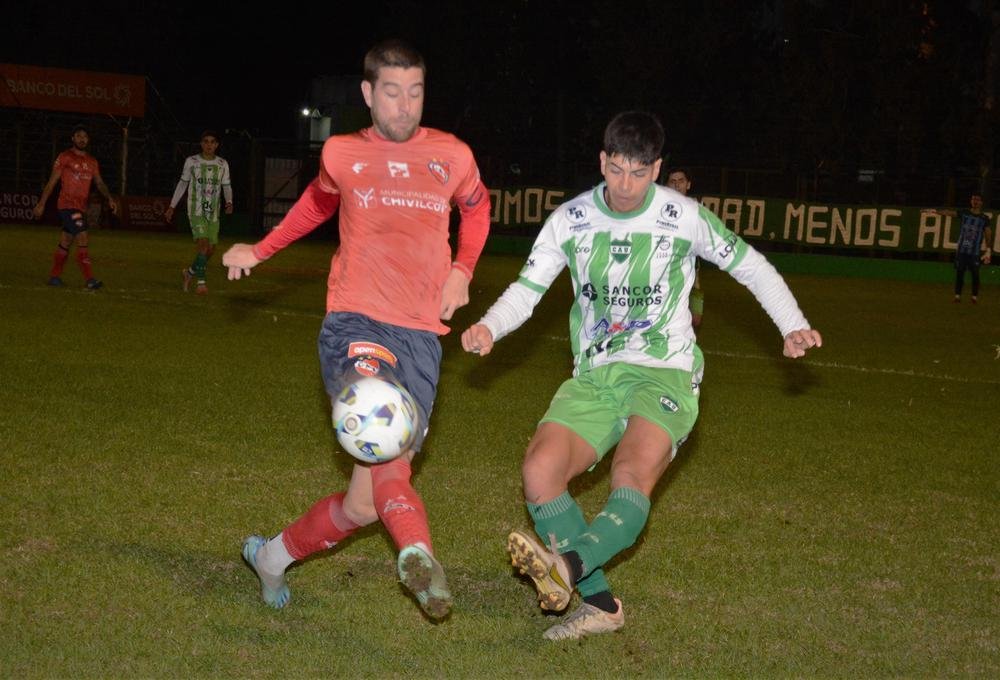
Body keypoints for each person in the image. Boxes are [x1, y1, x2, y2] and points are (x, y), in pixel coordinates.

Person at [462, 111, 822, 640]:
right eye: (616, 170)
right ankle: (601, 605)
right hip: (596, 372)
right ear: (602, 162)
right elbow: (527, 289)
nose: (625, 186)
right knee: (540, 472)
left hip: (666, 371)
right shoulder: (571, 219)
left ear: (656, 169)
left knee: (629, 475)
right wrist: (491, 326)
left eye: (638, 173)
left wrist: (792, 324)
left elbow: (750, 265)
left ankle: (566, 569)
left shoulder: (684, 216)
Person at [223, 39, 490, 620]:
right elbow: (316, 206)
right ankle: (419, 555)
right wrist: (261, 250)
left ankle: (272, 556)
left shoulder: (453, 154)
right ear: (368, 94)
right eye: (392, 93)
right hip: (355, 321)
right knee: (385, 440)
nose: (404, 106)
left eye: (415, 93)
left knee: (365, 503)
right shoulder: (343, 153)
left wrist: (461, 271)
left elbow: (477, 207)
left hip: (421, 336)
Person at [32, 125, 119, 289]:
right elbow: (52, 181)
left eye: (85, 136)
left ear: (88, 140)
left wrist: (109, 198)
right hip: (67, 206)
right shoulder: (65, 157)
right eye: (78, 136)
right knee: (83, 236)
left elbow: (99, 182)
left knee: (66, 241)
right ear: (73, 139)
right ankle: (90, 279)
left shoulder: (92, 162)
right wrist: (41, 204)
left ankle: (54, 277)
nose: (82, 139)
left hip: (80, 207)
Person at [164, 130, 233, 295]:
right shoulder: (191, 161)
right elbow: (182, 184)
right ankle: (201, 283)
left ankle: (189, 273)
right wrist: (172, 206)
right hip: (196, 210)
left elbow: (226, 186)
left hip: (213, 212)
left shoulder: (223, 164)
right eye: (206, 141)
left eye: (212, 142)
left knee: (210, 250)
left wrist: (229, 201)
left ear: (216, 145)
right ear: (201, 144)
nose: (209, 145)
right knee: (202, 246)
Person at [922, 194, 993, 303]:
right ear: (971, 201)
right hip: (962, 250)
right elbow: (949, 213)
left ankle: (974, 296)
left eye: (978, 200)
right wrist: (935, 211)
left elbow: (988, 232)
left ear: (981, 203)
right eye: (973, 199)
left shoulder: (984, 218)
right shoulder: (965, 213)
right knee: (960, 273)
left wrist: (988, 249)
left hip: (974, 251)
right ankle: (957, 296)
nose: (975, 201)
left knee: (975, 274)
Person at [665, 167, 703, 328]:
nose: (676, 185)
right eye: (672, 181)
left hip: (690, 267)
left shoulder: (696, 210)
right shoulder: (658, 208)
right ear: (666, 185)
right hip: (663, 270)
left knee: (695, 320)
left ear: (688, 184)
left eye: (681, 181)